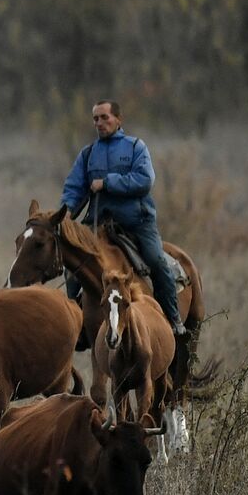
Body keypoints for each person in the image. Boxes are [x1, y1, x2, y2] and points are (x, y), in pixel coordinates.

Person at [60, 100, 185, 339]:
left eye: (104, 117)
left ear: (118, 119)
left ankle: (172, 320)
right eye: (95, 118)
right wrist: (66, 211)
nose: (99, 123)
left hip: (137, 222)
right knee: (73, 266)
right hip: (99, 224)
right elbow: (74, 188)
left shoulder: (136, 147)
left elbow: (144, 180)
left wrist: (107, 182)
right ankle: (77, 321)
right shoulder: (88, 155)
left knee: (157, 261)